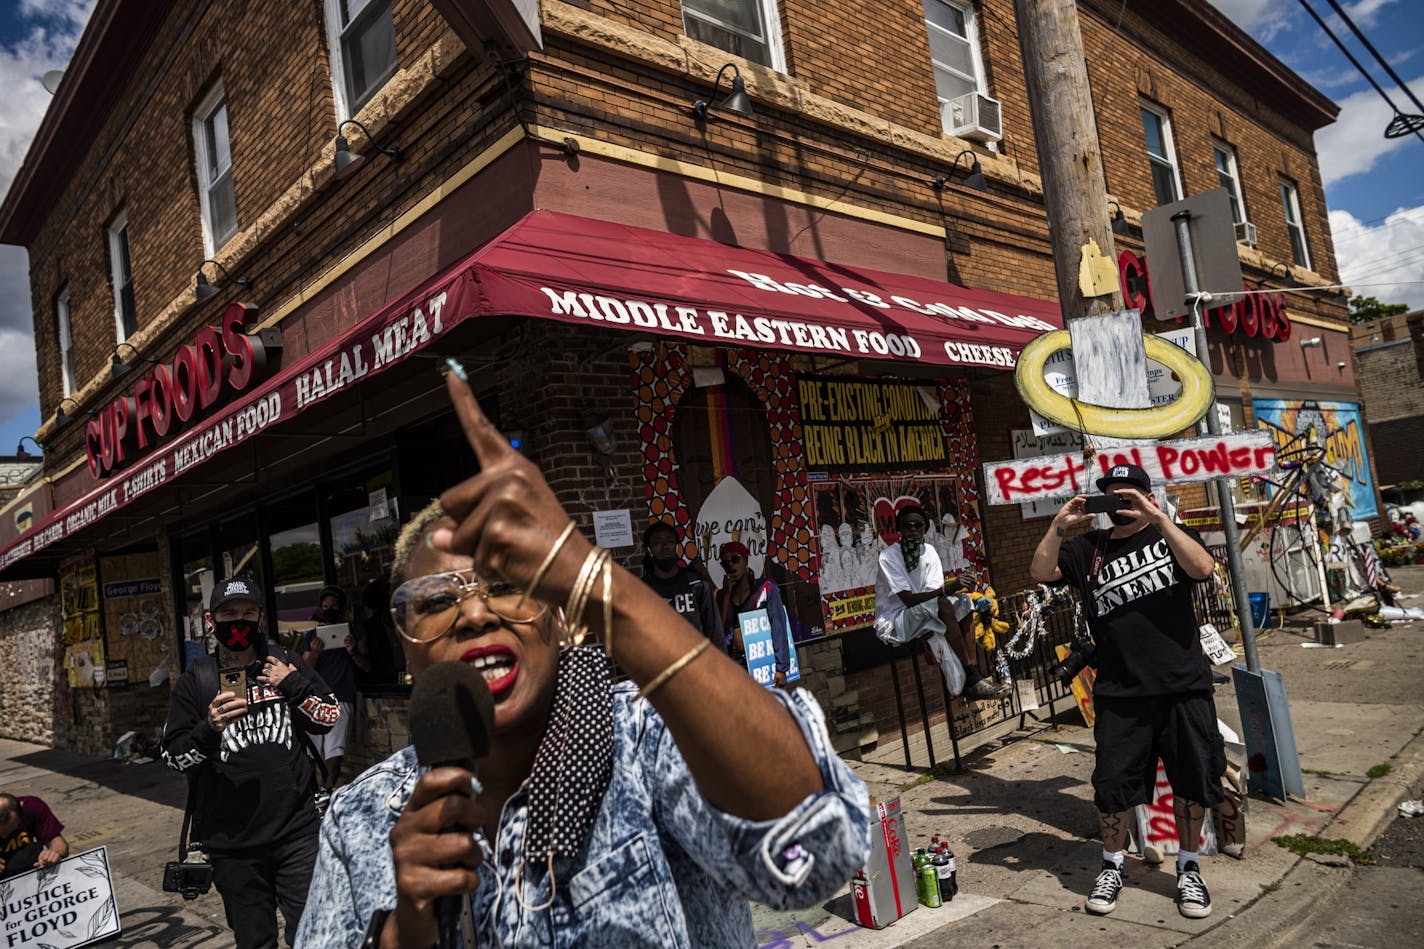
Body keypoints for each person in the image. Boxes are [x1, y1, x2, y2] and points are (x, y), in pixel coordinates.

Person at [296, 362, 868, 948]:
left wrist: (599, 585)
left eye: (505, 586)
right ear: (407, 646)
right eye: (436, 601)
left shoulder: (645, 740)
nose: (474, 614)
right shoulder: (358, 822)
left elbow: (822, 851)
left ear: (562, 617)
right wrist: (401, 935)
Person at [1029, 463, 1224, 922]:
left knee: (1192, 781)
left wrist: (1158, 518)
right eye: (1111, 496)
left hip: (1183, 686)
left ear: (1145, 496)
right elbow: (1040, 571)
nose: (1119, 503)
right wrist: (1059, 525)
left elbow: (1203, 568)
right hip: (1120, 692)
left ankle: (1189, 867)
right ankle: (1113, 865)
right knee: (1112, 787)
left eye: (1128, 495)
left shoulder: (1169, 535)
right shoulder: (1087, 549)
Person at [161, 576, 343, 948]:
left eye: (248, 612)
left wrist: (292, 684)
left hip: (297, 833)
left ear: (260, 618)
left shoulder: (284, 661)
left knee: (316, 932)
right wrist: (209, 728)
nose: (239, 621)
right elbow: (173, 756)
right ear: (211, 622)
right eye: (229, 614)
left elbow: (329, 716)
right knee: (255, 939)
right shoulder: (197, 681)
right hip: (233, 846)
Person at [874, 504, 1006, 700]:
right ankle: (971, 677)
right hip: (897, 619)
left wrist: (952, 591)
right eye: (907, 525)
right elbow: (908, 600)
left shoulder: (929, 551)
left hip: (925, 610)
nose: (913, 530)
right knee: (945, 603)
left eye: (918, 526)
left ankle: (974, 674)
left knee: (964, 602)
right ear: (899, 529)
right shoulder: (888, 556)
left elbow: (933, 595)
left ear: (924, 529)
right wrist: (949, 588)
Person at [301, 585, 370, 788]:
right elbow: (303, 670)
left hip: (341, 698)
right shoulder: (312, 636)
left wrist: (353, 650)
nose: (329, 609)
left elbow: (367, 665)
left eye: (334, 605)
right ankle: (312, 794)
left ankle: (328, 793)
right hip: (314, 699)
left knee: (334, 751)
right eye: (325, 606)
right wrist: (315, 653)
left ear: (341, 608)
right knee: (310, 751)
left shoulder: (355, 631)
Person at [716, 540, 793, 685]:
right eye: (725, 562)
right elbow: (719, 630)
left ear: (745, 561)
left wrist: (781, 667)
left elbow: (778, 626)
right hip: (735, 663)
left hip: (764, 661)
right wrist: (726, 595)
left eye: (735, 559)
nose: (730, 565)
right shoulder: (722, 595)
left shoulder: (766, 588)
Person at [640, 521, 721, 642]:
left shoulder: (697, 583)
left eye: (670, 542)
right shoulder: (642, 590)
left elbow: (715, 631)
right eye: (657, 543)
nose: (665, 547)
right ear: (648, 549)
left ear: (677, 547)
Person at [0, 793, 69, 879]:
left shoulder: (31, 807)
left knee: (74, 859)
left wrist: (54, 854)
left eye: (12, 828)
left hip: (30, 865)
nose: (5, 837)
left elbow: (58, 844)